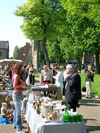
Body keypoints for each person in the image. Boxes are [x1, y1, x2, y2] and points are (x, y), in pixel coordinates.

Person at [12, 64, 25, 133]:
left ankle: (15, 124)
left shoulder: (15, 75)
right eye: (21, 68)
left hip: (17, 93)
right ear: (18, 68)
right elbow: (14, 86)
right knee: (18, 112)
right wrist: (22, 85)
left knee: (16, 111)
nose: (22, 69)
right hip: (17, 94)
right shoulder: (16, 75)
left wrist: (22, 83)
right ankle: (18, 129)